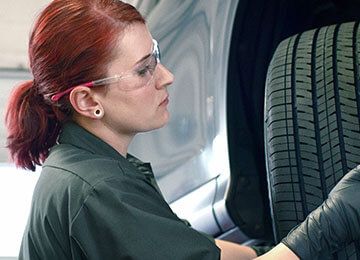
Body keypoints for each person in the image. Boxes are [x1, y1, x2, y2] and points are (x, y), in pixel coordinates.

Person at [5, 0, 359, 259]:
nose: (167, 76)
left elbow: (208, 253)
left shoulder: (88, 168)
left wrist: (273, 251)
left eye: (155, 57)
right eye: (144, 70)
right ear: (86, 101)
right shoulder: (97, 189)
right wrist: (336, 219)